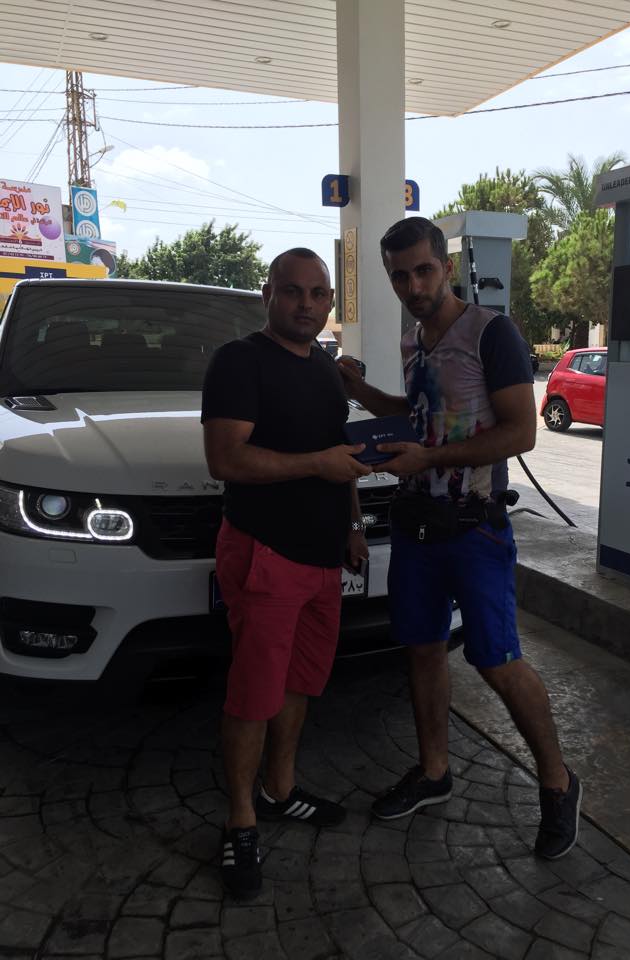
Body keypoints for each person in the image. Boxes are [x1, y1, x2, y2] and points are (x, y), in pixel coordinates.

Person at [338, 217, 581, 860]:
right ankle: (434, 772)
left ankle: (558, 783)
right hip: (416, 528)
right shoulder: (413, 340)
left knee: (497, 660)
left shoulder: (491, 333)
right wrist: (361, 391)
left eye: (424, 270)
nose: (414, 286)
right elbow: (421, 417)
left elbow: (521, 433)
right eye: (400, 276)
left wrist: (431, 459)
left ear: (446, 267)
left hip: (476, 528)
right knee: (421, 650)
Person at [202, 247, 371, 900]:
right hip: (265, 552)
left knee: (300, 682)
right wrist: (315, 466)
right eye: (293, 291)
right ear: (268, 294)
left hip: (324, 554)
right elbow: (226, 459)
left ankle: (280, 790)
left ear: (329, 302)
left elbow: (341, 454)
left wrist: (353, 524)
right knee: (253, 693)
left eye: (318, 293)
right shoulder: (239, 361)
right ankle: (241, 819)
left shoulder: (327, 369)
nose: (307, 304)